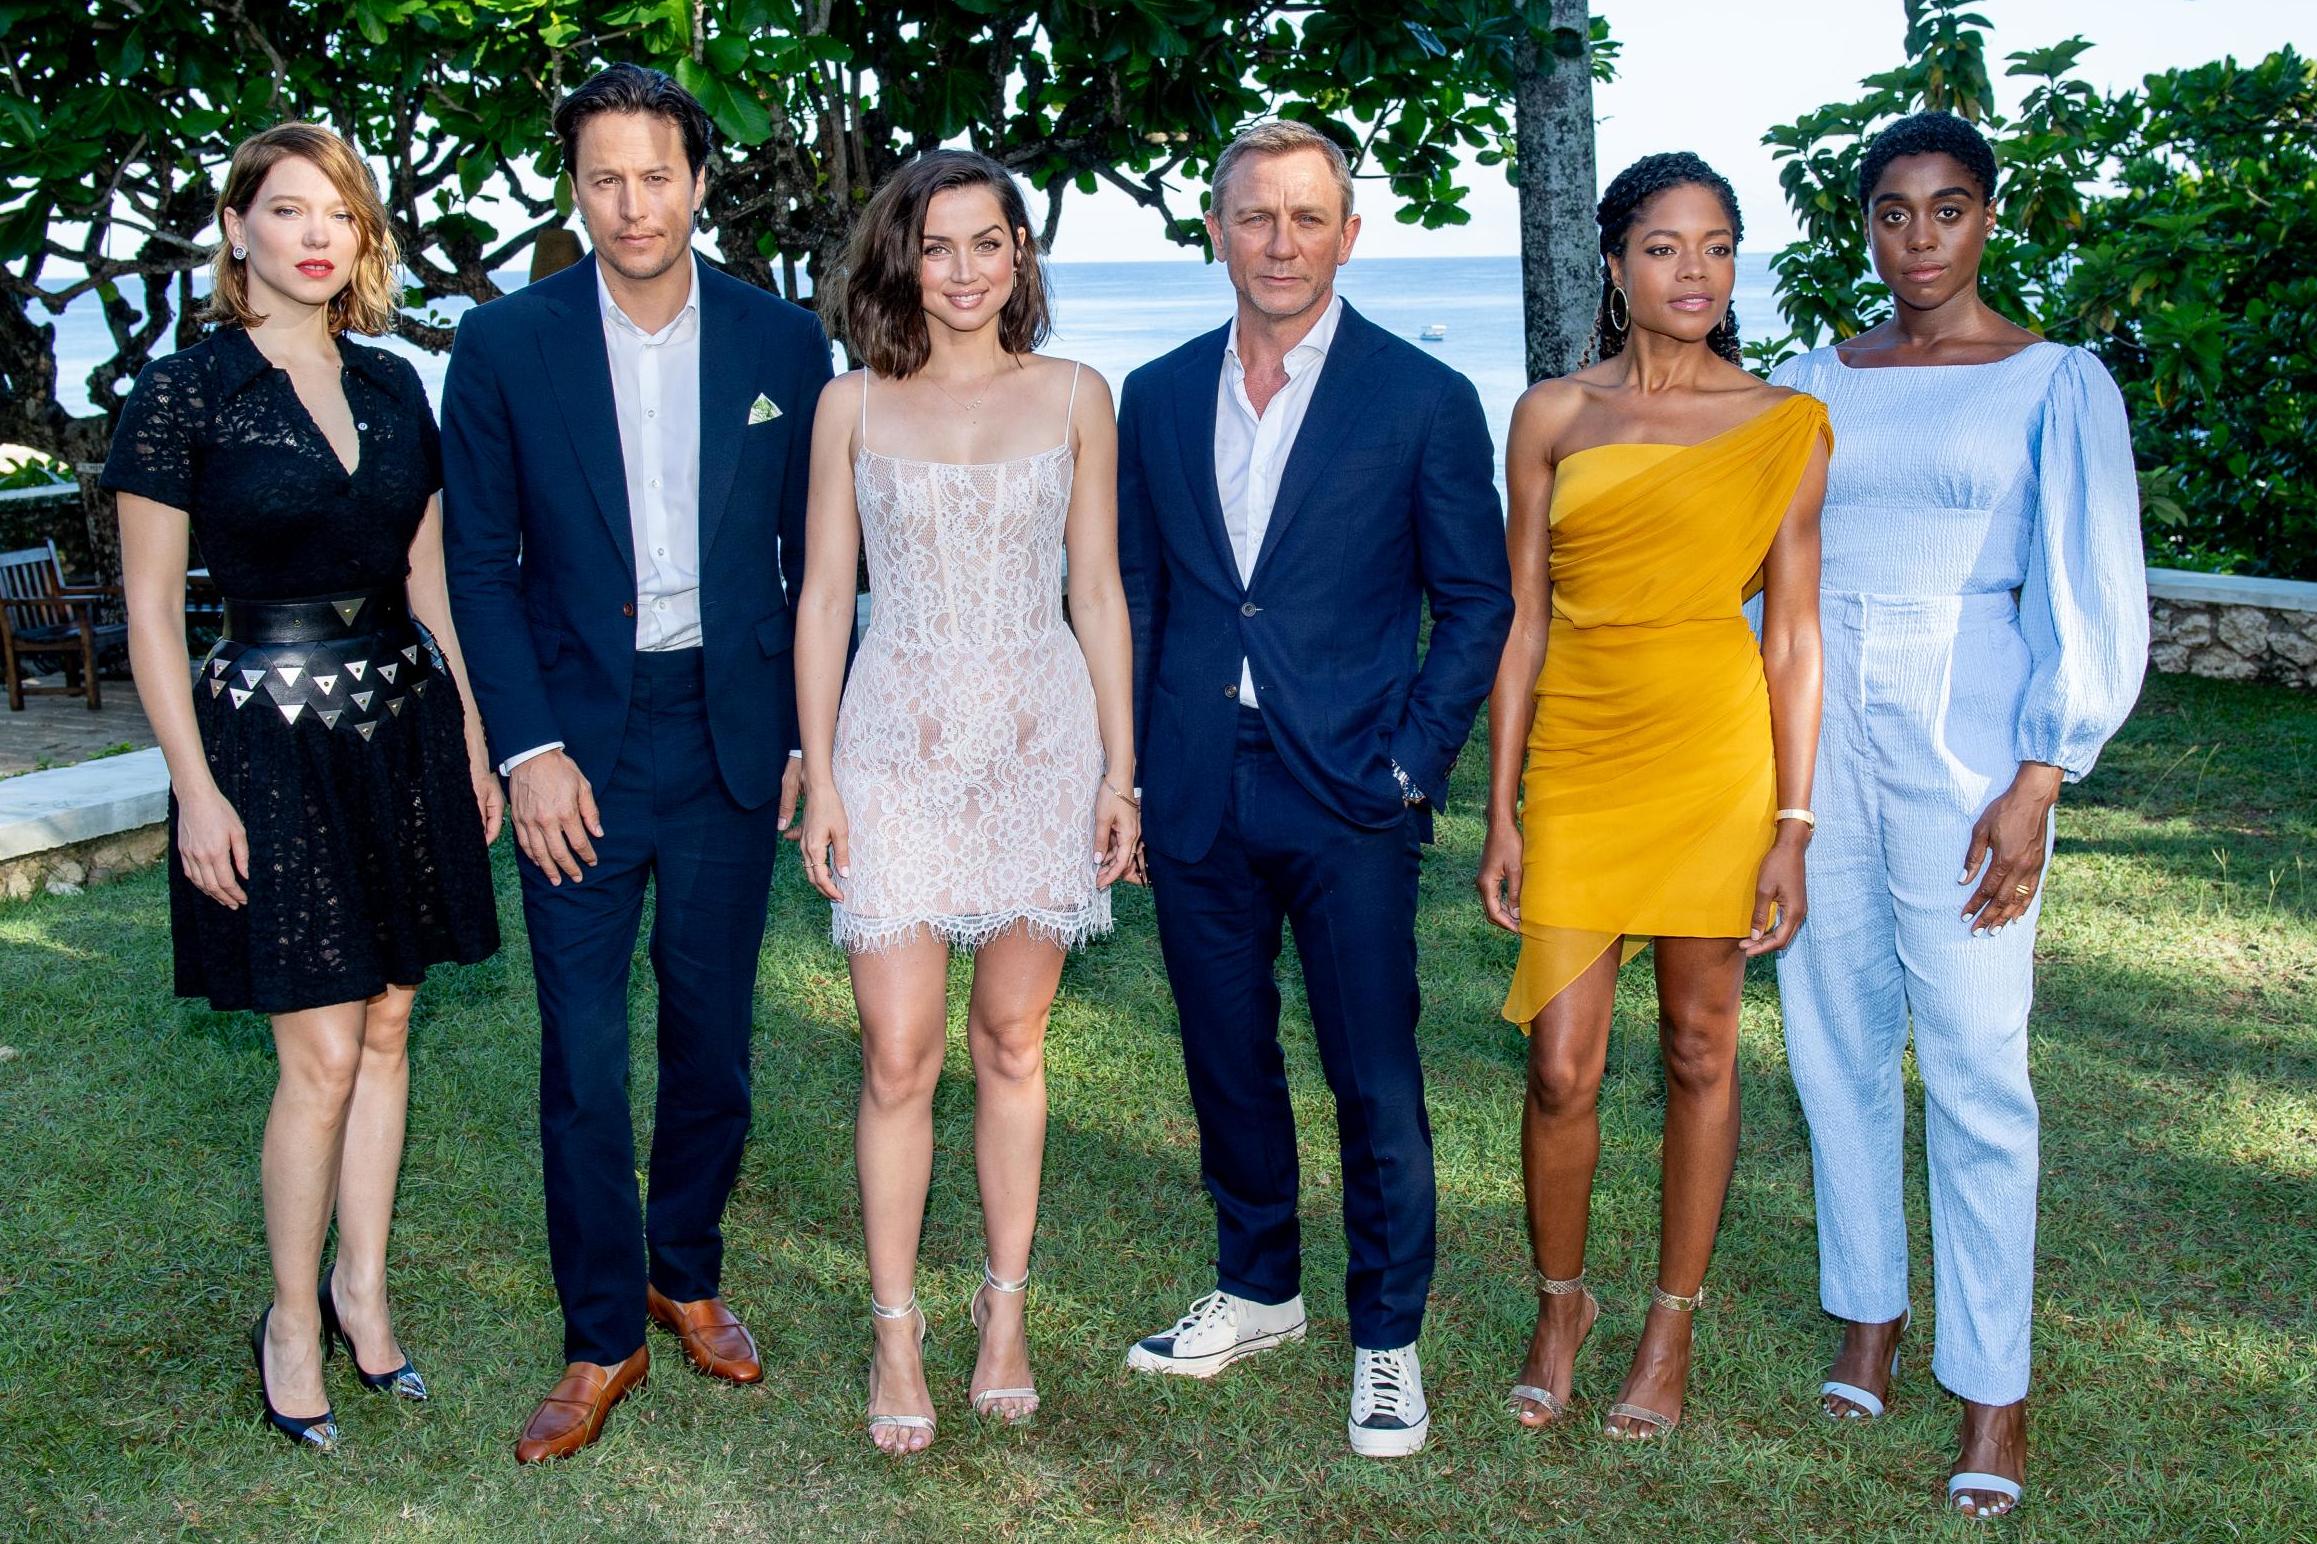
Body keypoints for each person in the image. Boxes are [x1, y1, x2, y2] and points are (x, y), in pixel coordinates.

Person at [439, 63, 832, 1463]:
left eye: (655, 175)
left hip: (729, 734)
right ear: (576, 186)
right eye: (603, 176)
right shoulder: (502, 345)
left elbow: (817, 566)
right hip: (579, 747)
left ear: (699, 181)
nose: (631, 203)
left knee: (715, 1038)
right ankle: (600, 1332)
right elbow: (480, 565)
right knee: (587, 1059)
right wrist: (527, 747)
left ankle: (686, 1270)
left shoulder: (785, 344)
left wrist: (800, 734)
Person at [1768, 110, 2146, 1520]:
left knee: (1979, 1060)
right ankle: (1866, 1310)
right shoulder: (1810, 383)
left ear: (1987, 217)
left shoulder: (2052, 382)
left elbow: (2087, 579)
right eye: (1888, 212)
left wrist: (2038, 773)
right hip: (1820, 728)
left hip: (1968, 726)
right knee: (1832, 1036)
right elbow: (1769, 580)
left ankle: (1993, 1389)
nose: (1915, 239)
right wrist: (1774, 777)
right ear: (1859, 224)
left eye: (1944, 210)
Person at [1115, 119, 1512, 1459]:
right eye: (1253, 216)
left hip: (1349, 791)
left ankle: (1387, 1338)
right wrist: (1126, 772)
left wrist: (1408, 768)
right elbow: (1140, 594)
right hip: (1194, 786)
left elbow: (1475, 603)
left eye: (1305, 218)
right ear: (1215, 230)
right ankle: (1258, 1286)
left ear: (1348, 234)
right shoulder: (1158, 396)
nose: (1278, 242)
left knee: (1372, 1073)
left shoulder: (1420, 400)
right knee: (1224, 1057)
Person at [103, 122, 502, 1450]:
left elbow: (433, 577)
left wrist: (474, 737)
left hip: (398, 720)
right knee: (320, 1050)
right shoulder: (184, 394)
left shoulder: (394, 385)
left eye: (337, 213)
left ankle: (362, 1291)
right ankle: (288, 1316)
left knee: (388, 1026)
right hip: (263, 739)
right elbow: (153, 615)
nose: (316, 235)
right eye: (286, 212)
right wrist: (193, 789)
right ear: (238, 231)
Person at [1476, 152, 1828, 1443]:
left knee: (1699, 1044)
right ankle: (1559, 1303)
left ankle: (1668, 1323)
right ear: (1615, 265)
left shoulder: (1780, 423)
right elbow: (1521, 622)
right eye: (1668, 247)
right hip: (1579, 746)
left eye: (1719, 247)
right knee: (1561, 1066)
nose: (1696, 273)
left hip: (1712, 755)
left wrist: (1793, 825)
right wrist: (1502, 806)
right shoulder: (1551, 416)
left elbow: (1791, 640)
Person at [792, 149, 1138, 1456]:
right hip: (893, 743)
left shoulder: (1074, 396)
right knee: (897, 1055)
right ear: (902, 259)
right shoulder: (850, 408)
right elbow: (826, 597)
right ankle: (895, 1327)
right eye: (937, 246)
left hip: (1042, 741)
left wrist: (1118, 772)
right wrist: (819, 771)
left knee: (1010, 1041)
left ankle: (1003, 1310)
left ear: (1019, 258)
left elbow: (1096, 590)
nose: (963, 270)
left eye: (987, 243)